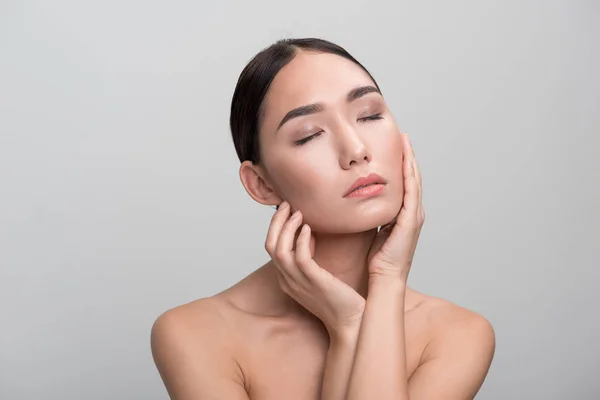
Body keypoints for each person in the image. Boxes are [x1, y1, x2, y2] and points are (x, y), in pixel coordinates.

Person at [150, 37, 496, 400]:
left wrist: (388, 280)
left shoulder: (458, 334)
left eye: (369, 115)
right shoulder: (196, 334)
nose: (356, 151)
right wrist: (348, 327)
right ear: (262, 184)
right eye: (310, 135)